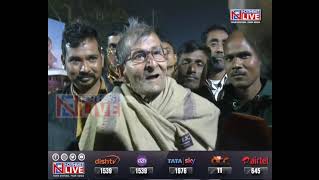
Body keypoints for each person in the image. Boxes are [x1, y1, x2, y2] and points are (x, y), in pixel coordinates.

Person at [79, 18, 220, 151]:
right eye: (139, 56)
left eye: (157, 53)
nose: (152, 64)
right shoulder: (104, 114)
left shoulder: (205, 112)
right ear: (122, 72)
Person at [48, 22, 113, 150]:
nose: (85, 69)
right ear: (63, 61)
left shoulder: (124, 99)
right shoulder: (51, 105)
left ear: (102, 58)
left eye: (92, 58)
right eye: (75, 60)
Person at [219, 30, 272, 126]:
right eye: (229, 58)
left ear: (261, 58)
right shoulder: (216, 111)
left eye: (244, 56)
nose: (236, 64)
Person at [201, 25, 230, 102]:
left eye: (224, 44)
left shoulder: (241, 85)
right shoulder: (192, 87)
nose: (220, 49)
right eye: (213, 44)